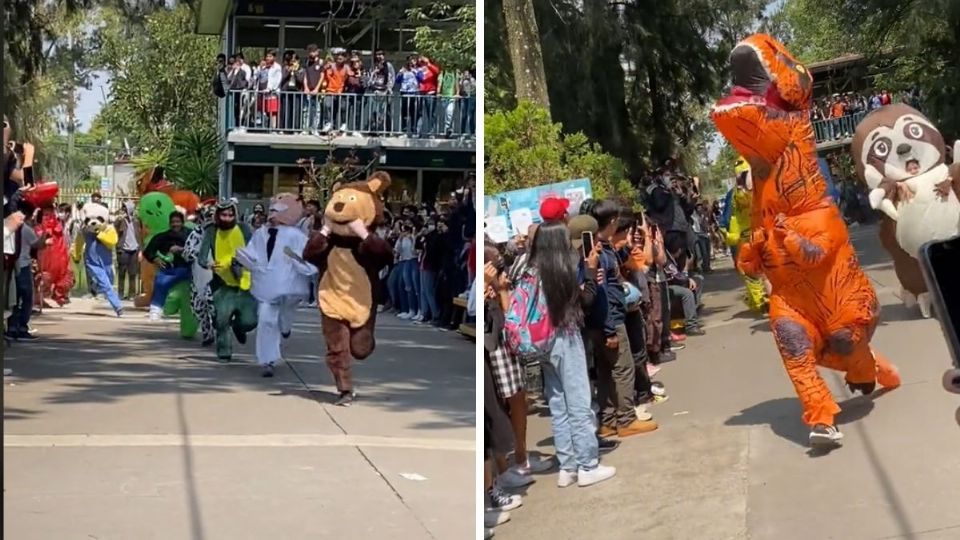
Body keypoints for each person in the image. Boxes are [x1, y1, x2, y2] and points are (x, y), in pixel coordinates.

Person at [504, 220, 616, 487]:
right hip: (565, 337)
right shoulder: (560, 269)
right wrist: (589, 273)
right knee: (579, 402)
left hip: (541, 341)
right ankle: (588, 464)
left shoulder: (531, 268)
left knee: (557, 402)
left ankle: (567, 466)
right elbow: (585, 302)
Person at [236, 194, 317, 377]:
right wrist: (244, 257)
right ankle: (268, 360)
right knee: (266, 319)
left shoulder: (296, 236)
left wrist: (296, 260)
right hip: (266, 285)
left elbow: (309, 260)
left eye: (277, 211)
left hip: (289, 288)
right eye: (271, 210)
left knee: (284, 316)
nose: (272, 215)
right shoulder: (260, 234)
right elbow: (252, 253)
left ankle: (286, 327)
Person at [197, 200, 258, 362]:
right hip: (221, 284)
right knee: (221, 320)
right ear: (218, 215)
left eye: (231, 215)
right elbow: (201, 258)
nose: (227, 218)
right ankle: (224, 351)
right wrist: (208, 264)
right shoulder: (211, 231)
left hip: (244, 282)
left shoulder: (244, 229)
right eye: (223, 215)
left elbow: (254, 250)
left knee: (250, 321)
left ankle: (239, 327)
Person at [6, 206, 47, 340]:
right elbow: (38, 245)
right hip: (22, 265)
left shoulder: (9, 226)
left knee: (13, 298)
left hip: (11, 264)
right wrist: (44, 236)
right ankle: (22, 327)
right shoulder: (26, 229)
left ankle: (12, 327)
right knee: (26, 297)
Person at [143, 211, 191, 322]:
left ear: (182, 222)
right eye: (173, 222)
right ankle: (155, 310)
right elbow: (148, 251)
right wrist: (155, 259)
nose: (175, 224)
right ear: (169, 223)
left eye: (178, 222)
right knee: (160, 283)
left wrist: (182, 249)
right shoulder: (163, 237)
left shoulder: (190, 235)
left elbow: (199, 248)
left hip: (188, 269)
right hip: (169, 270)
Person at [114, 201, 141, 300]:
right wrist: (120, 219)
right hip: (123, 249)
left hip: (134, 249)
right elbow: (115, 229)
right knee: (122, 272)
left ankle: (132, 294)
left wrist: (140, 249)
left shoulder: (136, 221)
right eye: (123, 208)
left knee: (133, 273)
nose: (124, 210)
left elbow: (140, 235)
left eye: (126, 208)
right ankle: (120, 294)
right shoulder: (121, 220)